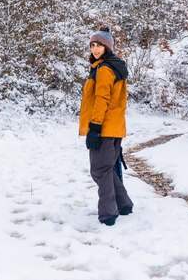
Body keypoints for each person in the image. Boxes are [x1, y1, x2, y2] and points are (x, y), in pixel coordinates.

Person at [79, 26, 134, 226]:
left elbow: (102, 99)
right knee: (107, 168)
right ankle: (124, 204)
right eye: (93, 45)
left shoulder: (103, 69)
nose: (95, 49)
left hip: (103, 128)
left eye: (99, 45)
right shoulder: (116, 66)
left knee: (100, 170)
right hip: (115, 127)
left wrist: (94, 127)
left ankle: (108, 213)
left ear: (107, 47)